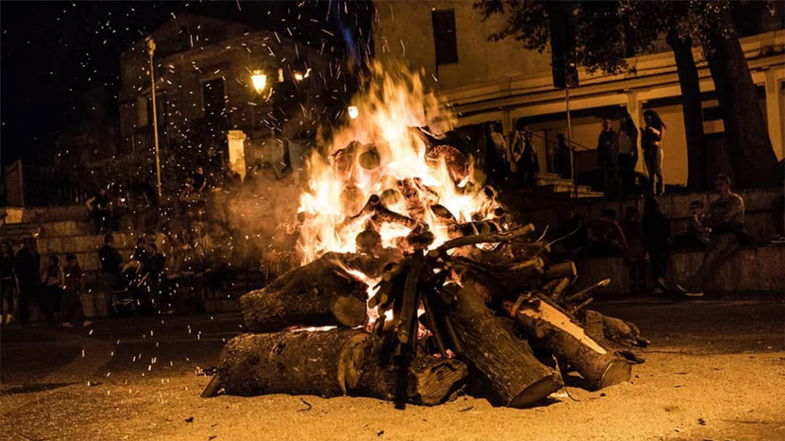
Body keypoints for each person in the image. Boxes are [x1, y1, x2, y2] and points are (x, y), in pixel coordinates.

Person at [678, 174, 747, 297]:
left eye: (721, 185)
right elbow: (707, 219)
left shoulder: (736, 200)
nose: (718, 188)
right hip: (717, 234)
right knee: (708, 258)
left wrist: (711, 221)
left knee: (712, 256)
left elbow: (727, 217)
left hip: (732, 235)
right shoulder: (715, 203)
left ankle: (694, 285)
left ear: (727, 185)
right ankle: (694, 285)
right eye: (716, 185)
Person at [642, 196, 671, 295]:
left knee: (655, 265)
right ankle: (661, 282)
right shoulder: (661, 216)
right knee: (662, 264)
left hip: (653, 243)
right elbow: (667, 230)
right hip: (663, 243)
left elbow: (645, 231)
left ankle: (659, 284)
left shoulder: (646, 217)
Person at [14, 238, 40, 325]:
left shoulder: (35, 254)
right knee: (24, 299)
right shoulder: (21, 254)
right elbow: (18, 267)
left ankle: (34, 316)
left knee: (34, 298)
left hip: (33, 279)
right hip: (25, 280)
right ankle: (24, 318)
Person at [622, 206, 647, 295]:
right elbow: (643, 237)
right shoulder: (637, 226)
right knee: (641, 268)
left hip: (629, 249)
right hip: (638, 249)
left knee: (632, 269)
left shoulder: (625, 226)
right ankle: (641, 284)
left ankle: (632, 285)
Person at [641, 109, 666, 195]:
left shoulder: (659, 126)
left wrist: (654, 131)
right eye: (645, 119)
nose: (646, 120)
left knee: (657, 169)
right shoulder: (647, 128)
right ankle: (653, 190)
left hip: (655, 149)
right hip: (648, 150)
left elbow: (660, 138)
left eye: (648, 118)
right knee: (650, 171)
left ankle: (662, 189)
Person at [62, 253, 90, 327]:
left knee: (74, 305)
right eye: (73, 261)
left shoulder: (76, 269)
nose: (74, 263)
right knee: (75, 305)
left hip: (73, 289)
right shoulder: (68, 269)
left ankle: (69, 321)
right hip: (70, 289)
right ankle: (80, 320)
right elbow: (70, 279)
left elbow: (80, 278)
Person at [98, 234, 123, 314]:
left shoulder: (101, 251)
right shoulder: (113, 251)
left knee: (107, 294)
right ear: (111, 241)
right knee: (115, 292)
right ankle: (115, 310)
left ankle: (109, 310)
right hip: (113, 273)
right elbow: (119, 262)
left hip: (105, 273)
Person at [617, 112, 638, 194]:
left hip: (629, 154)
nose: (621, 120)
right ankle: (625, 191)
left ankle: (630, 190)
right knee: (623, 174)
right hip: (622, 154)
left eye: (623, 118)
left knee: (629, 174)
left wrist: (632, 150)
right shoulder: (621, 130)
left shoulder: (631, 130)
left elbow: (633, 140)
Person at [596, 119, 618, 195]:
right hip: (605, 157)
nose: (607, 125)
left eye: (608, 123)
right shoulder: (602, 135)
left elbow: (613, 144)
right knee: (606, 176)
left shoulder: (613, 134)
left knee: (614, 175)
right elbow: (599, 146)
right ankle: (608, 192)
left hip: (612, 157)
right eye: (606, 123)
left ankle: (616, 191)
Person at [41, 255, 64, 324]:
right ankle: (50, 315)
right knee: (49, 301)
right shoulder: (48, 269)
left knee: (56, 301)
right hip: (48, 286)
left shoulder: (58, 269)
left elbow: (61, 278)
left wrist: (60, 284)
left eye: (52, 261)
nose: (50, 262)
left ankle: (56, 314)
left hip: (55, 286)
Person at [1, 241, 16, 325]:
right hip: (2, 279)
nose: (3, 249)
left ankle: (9, 315)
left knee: (9, 296)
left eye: (5, 247)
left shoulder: (11, 258)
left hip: (9, 278)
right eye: (2, 247)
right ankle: (1, 315)